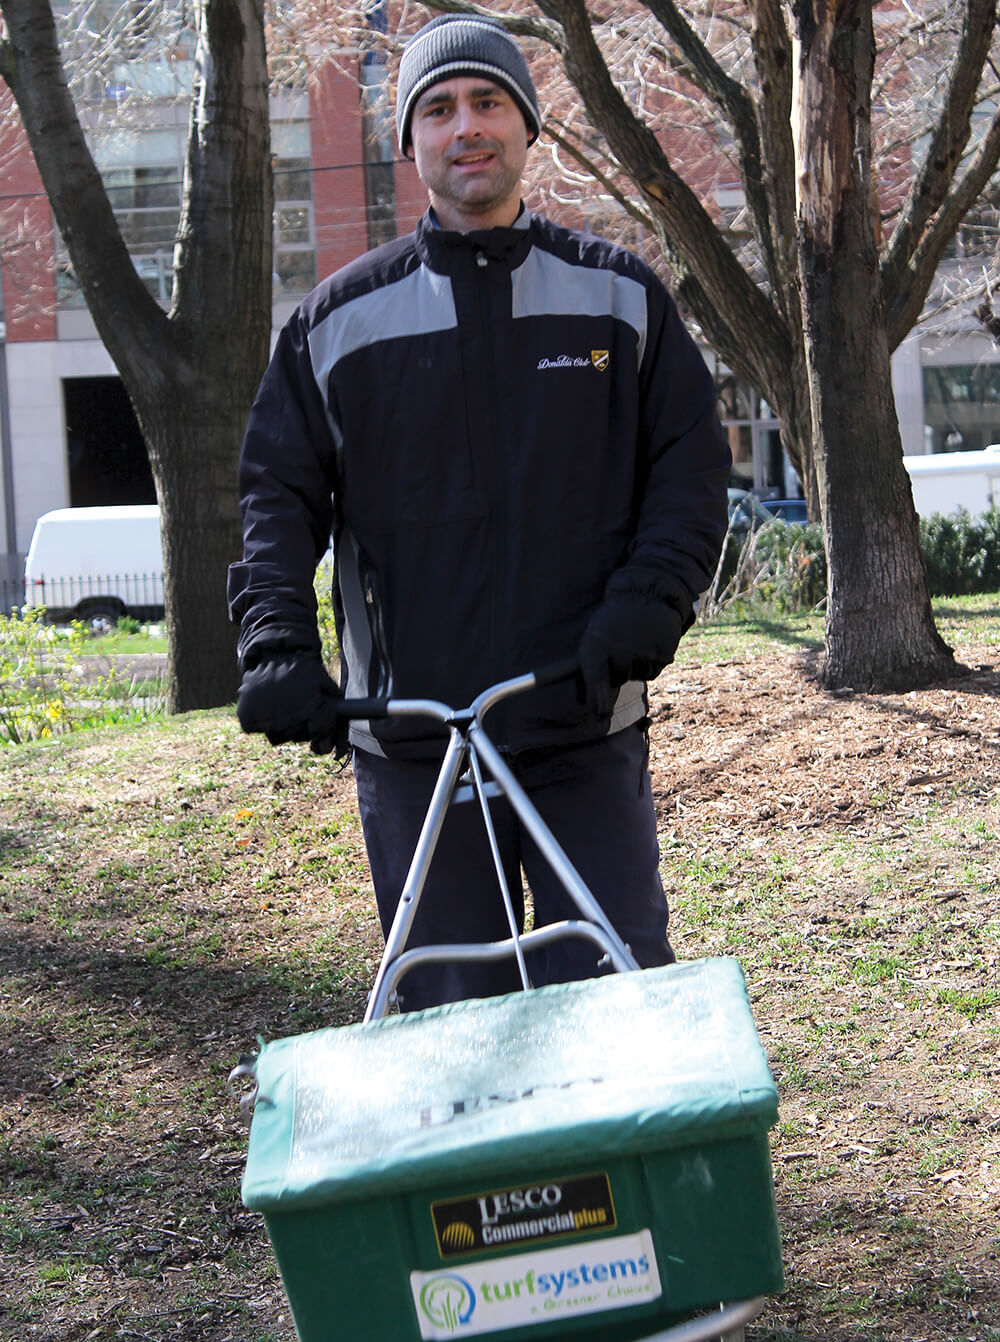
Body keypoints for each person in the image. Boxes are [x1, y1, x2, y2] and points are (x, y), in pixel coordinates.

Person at [228, 13, 731, 1012]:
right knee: (452, 1024)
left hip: (582, 722)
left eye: (489, 102)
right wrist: (277, 643)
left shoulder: (618, 299)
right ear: (410, 141)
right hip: (416, 747)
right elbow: (275, 497)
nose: (468, 126)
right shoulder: (337, 326)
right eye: (441, 108)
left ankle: (614, 1177)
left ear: (527, 125)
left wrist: (650, 603)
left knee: (615, 1000)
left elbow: (688, 467)